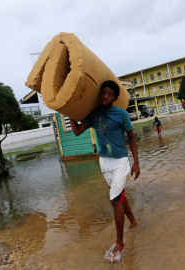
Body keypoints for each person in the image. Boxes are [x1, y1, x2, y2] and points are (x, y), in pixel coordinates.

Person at [69, 80, 140, 263]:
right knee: (119, 196)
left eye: (110, 95)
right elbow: (77, 131)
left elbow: (131, 139)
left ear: (116, 98)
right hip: (104, 162)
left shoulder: (121, 114)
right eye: (104, 93)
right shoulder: (94, 114)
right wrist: (69, 112)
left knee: (114, 200)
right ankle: (133, 221)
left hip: (120, 162)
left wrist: (136, 163)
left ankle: (120, 243)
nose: (106, 97)